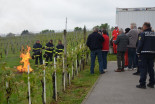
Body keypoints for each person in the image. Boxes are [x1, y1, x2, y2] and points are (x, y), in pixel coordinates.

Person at [136, 22, 155, 89]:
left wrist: (138, 52)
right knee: (151, 69)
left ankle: (142, 84)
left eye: (143, 26)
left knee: (143, 69)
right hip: (152, 53)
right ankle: (152, 83)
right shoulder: (153, 34)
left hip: (144, 53)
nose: (142, 27)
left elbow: (140, 44)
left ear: (145, 26)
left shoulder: (143, 34)